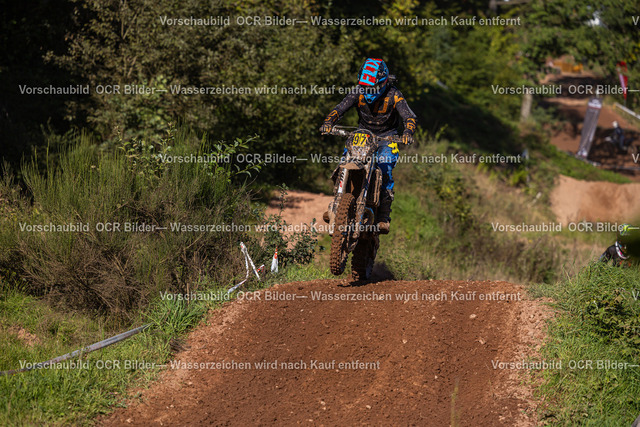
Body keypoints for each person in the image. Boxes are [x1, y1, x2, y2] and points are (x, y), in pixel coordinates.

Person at [319, 58, 418, 234]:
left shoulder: (394, 95)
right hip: (362, 135)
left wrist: (407, 133)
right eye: (365, 87)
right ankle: (337, 204)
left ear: (383, 82)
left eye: (372, 87)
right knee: (343, 163)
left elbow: (409, 117)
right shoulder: (358, 92)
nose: (368, 91)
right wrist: (328, 122)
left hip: (387, 138)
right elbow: (339, 108)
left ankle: (383, 216)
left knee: (385, 167)